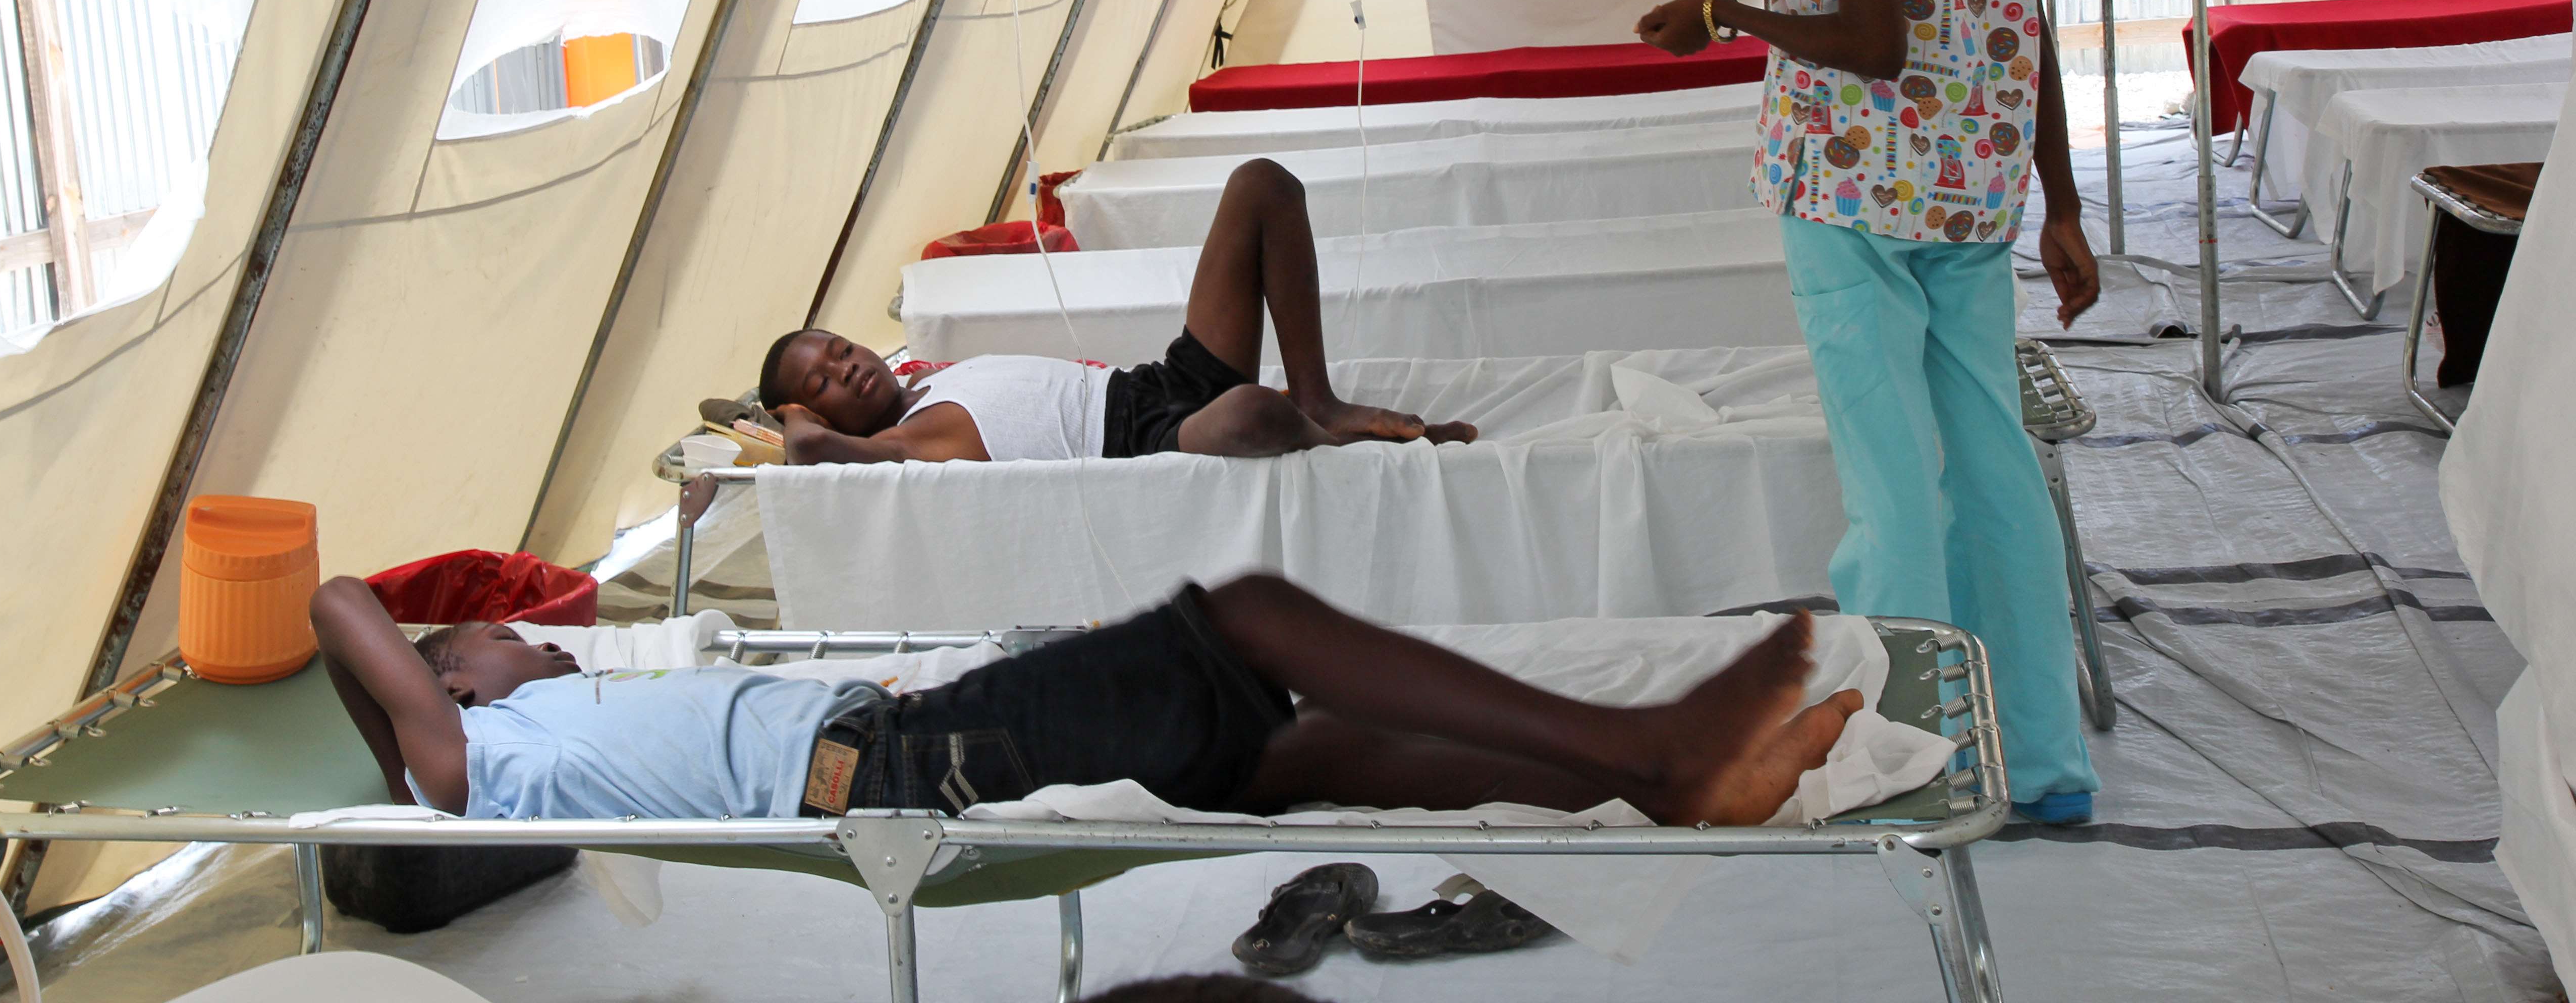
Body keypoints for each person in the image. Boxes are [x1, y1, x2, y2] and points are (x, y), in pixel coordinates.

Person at [1635, 0, 2102, 824]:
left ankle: (1915, 766)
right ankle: (2046, 767)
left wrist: (1726, 15)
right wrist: (2060, 198)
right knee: (1997, 473)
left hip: (1852, 196)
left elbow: (1869, 39)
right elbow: (2027, 25)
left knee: (1893, 491)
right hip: (1970, 199)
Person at [310, 573, 1860, 829]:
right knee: (1246, 622)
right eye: (506, 638)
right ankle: (1648, 751)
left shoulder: (516, 732)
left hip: (913, 737)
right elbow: (337, 604)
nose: (548, 643)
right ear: (445, 682)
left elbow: (379, 656)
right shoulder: (486, 759)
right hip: (904, 770)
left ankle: (1637, 788)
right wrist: (353, 631)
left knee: (1300, 755)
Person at [758, 157, 1474, 465]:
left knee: (1262, 186)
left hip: (1151, 384)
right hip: (1147, 440)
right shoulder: (904, 445)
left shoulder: (922, 378)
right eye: (821, 382)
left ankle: (1320, 401)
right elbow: (812, 452)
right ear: (813, 412)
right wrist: (793, 422)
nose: (847, 369)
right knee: (1253, 413)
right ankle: (1342, 452)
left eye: (841, 351)